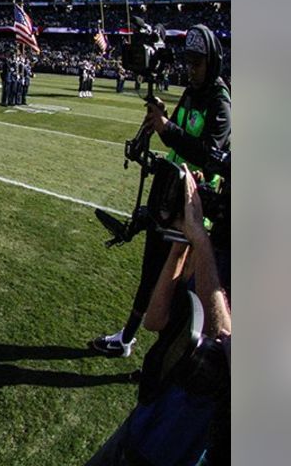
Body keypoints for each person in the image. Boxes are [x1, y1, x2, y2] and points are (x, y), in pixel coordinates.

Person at [91, 24, 231, 357]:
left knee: (173, 285)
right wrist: (162, 125)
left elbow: (210, 157)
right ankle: (128, 339)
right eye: (190, 61)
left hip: (192, 206)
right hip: (169, 193)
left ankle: (164, 354)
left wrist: (168, 129)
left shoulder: (221, 102)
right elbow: (181, 139)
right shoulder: (192, 92)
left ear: (212, 61)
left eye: (198, 62)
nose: (192, 68)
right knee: (150, 273)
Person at [85, 168, 230, 465]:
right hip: (145, 421)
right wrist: (181, 243)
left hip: (181, 446)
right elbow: (156, 320)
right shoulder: (215, 258)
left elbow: (221, 353)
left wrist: (200, 241)